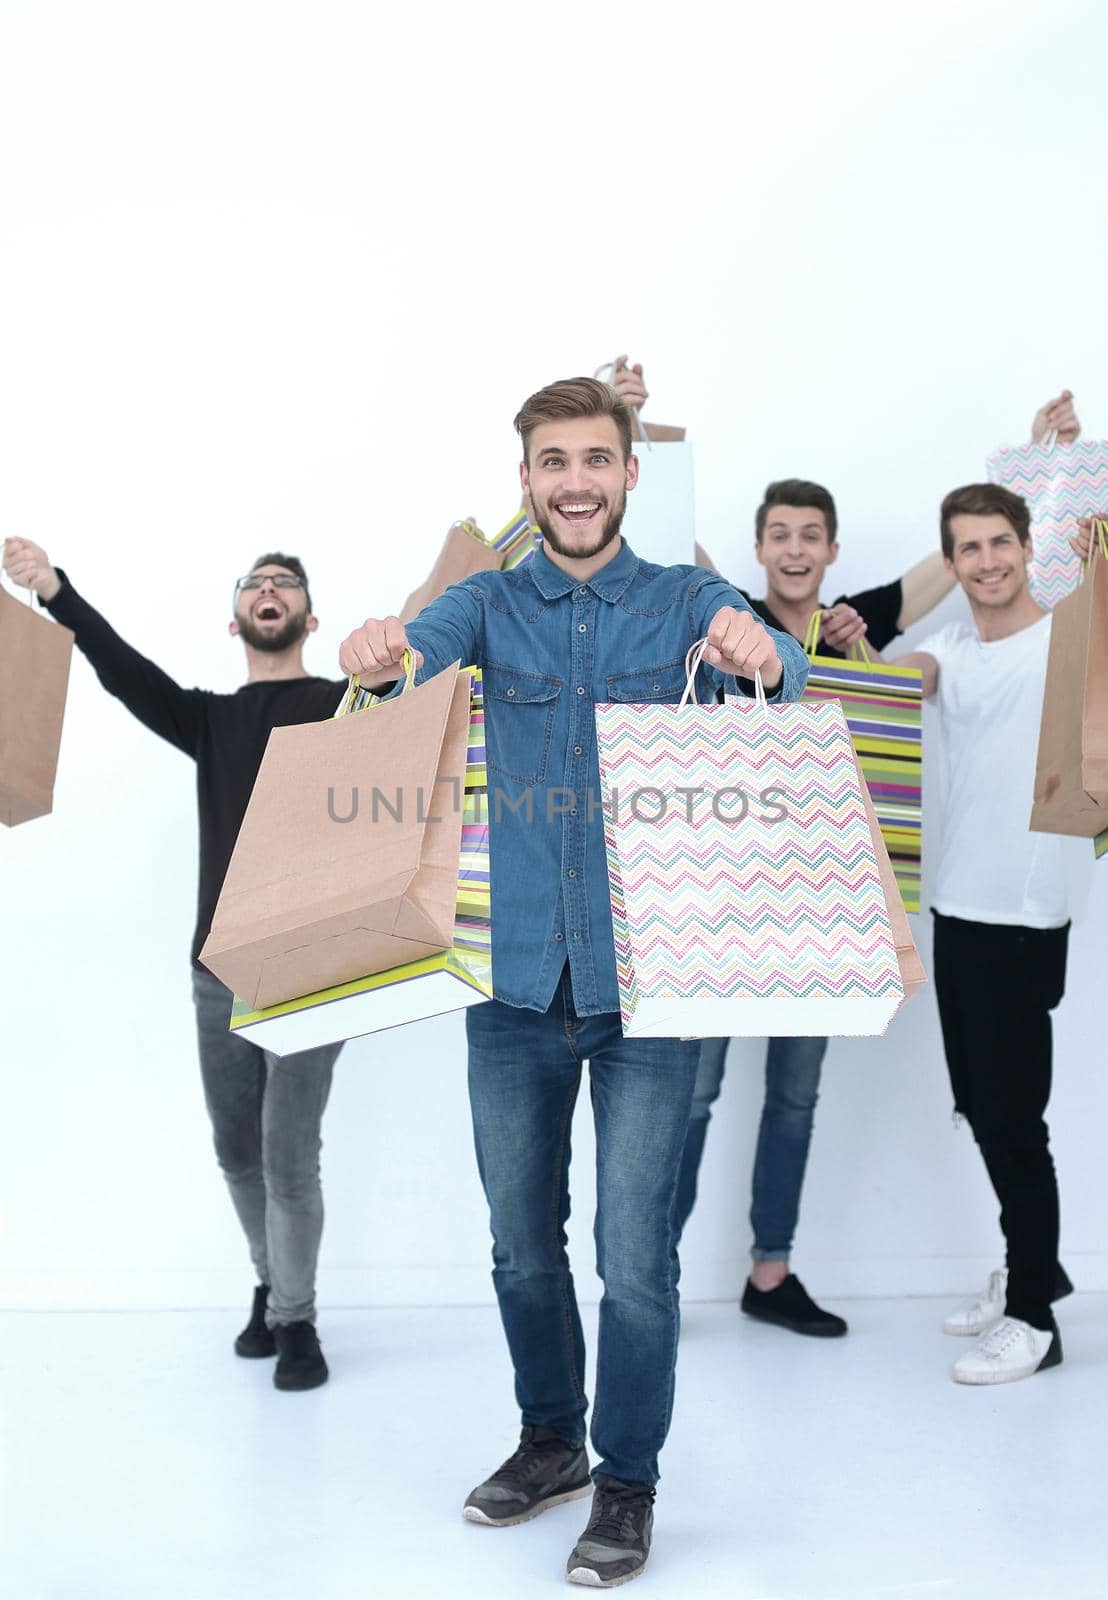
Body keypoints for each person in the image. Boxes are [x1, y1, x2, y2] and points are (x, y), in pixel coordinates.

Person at [337, 375, 808, 1588]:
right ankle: (550, 1439)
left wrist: (763, 647)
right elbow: (408, 669)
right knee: (517, 1244)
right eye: (553, 462)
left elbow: (782, 670)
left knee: (634, 1257)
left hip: (652, 993)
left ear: (630, 473)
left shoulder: (683, 598)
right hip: (512, 991)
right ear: (529, 478)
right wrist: (382, 653)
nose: (577, 482)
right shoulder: (487, 601)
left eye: (596, 459)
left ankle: (628, 1478)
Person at [628, 374, 1081, 1340]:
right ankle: (651, 1285)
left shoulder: (861, 624)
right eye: (779, 535)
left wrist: (1035, 464)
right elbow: (665, 534)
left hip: (821, 903)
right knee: (694, 1097)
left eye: (811, 536)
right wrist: (632, 426)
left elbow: (966, 557)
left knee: (794, 1100)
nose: (794, 549)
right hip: (716, 901)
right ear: (760, 550)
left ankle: (769, 1274)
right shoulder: (723, 611)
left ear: (832, 551)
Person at [1, 538, 352, 1391]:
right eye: (256, 584)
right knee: (236, 1152)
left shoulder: (348, 705)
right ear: (233, 619)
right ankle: (273, 1286)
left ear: (311, 616)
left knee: (287, 1155)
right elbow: (123, 671)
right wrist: (56, 592)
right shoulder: (209, 719)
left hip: (315, 968)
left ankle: (297, 1324)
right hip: (218, 968)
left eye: (286, 584)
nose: (270, 592)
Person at [896, 465, 1087, 1384]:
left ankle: (1035, 1322)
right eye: (968, 548)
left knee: (1017, 1119)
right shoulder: (953, 650)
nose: (986, 560)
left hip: (1022, 911)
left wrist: (1060, 456)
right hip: (956, 905)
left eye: (1000, 542)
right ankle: (1028, 1268)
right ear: (953, 562)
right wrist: (864, 643)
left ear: (1025, 548)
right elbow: (901, 681)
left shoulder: (1069, 644)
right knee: (980, 1104)